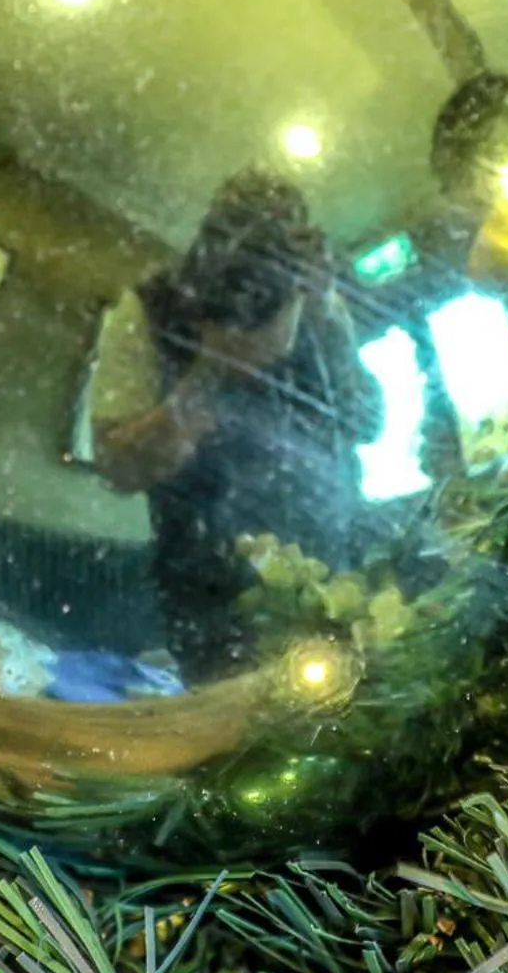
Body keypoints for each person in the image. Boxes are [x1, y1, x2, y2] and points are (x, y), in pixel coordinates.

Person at [89, 171, 372, 680]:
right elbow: (115, 467)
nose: (256, 277)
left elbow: (368, 422)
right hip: (209, 601)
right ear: (208, 242)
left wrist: (324, 312)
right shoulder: (151, 308)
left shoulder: (320, 302)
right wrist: (209, 367)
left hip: (335, 570)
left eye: (276, 248)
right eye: (239, 240)